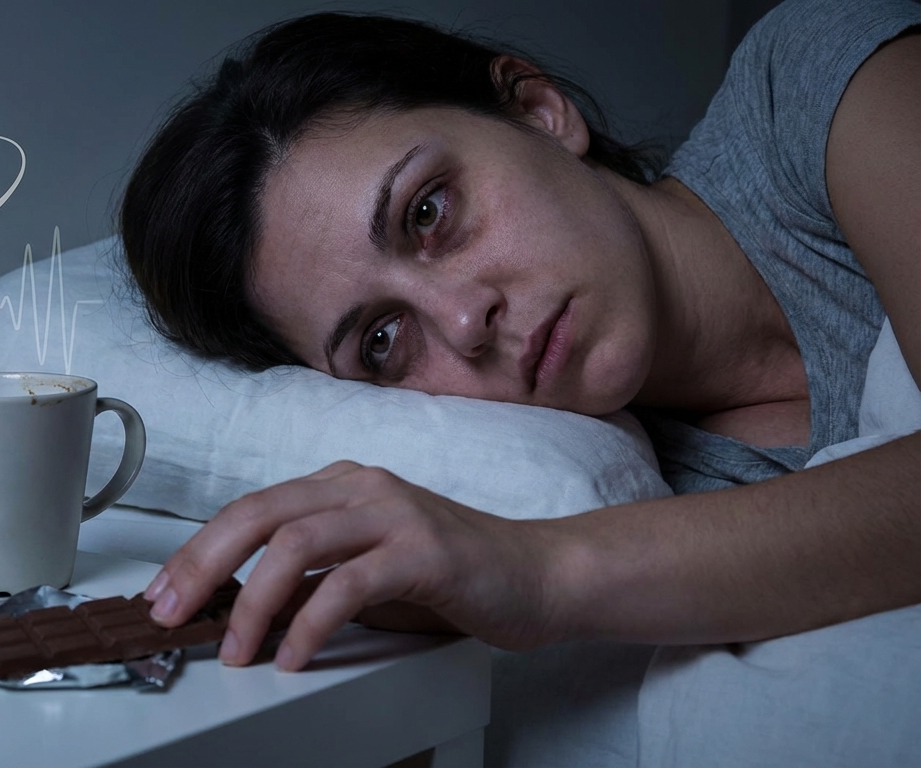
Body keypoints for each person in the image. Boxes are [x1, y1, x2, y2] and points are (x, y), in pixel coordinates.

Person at [119, 0, 921, 678]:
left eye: (428, 212)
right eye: (382, 340)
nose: (465, 322)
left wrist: (543, 572)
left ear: (540, 111)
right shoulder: (649, 503)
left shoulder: (816, 86)